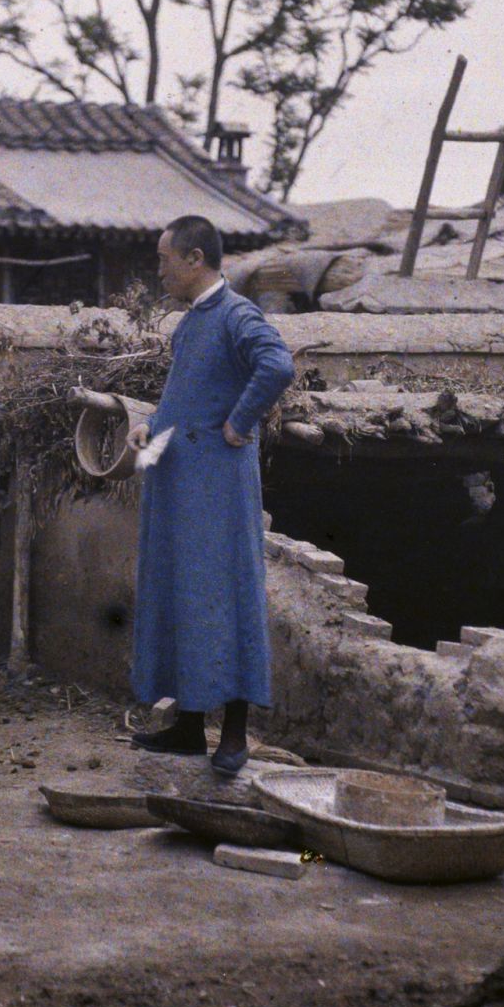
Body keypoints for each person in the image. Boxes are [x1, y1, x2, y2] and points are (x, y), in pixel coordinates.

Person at [125, 214, 296, 776]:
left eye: (164, 258)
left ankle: (235, 738)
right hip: (178, 484)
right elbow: (186, 395)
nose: (160, 270)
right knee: (182, 595)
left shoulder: (237, 314)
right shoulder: (190, 324)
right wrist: (152, 424)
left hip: (217, 491)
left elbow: (277, 365)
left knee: (226, 596)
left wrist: (238, 423)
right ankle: (188, 729)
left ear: (195, 260)